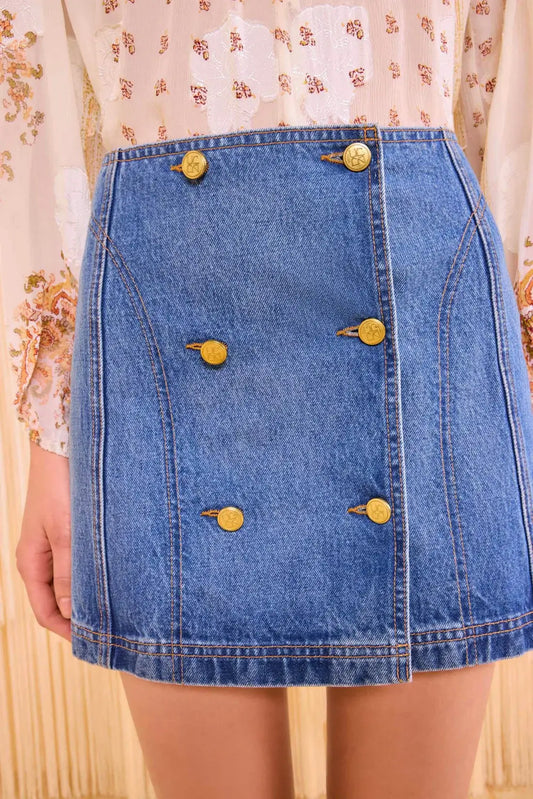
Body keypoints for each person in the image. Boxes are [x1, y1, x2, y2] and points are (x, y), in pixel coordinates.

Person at [3, 2, 532, 797]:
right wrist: (53, 431)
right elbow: (32, 95)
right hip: (165, 323)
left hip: (422, 303)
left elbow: (515, 81)